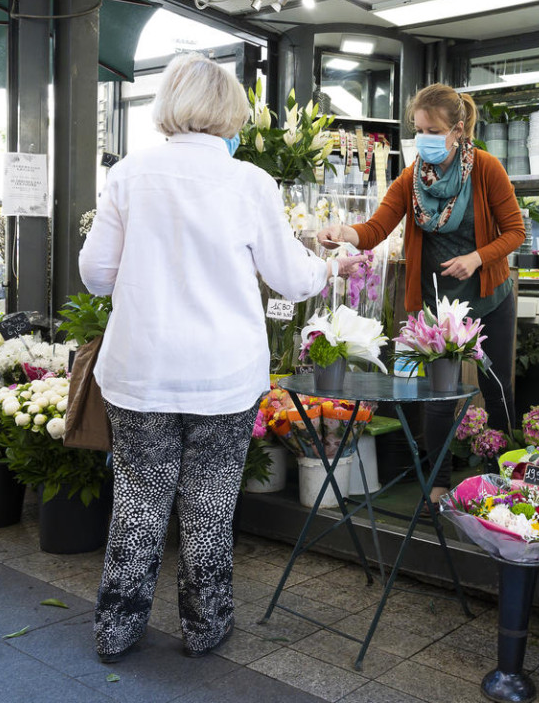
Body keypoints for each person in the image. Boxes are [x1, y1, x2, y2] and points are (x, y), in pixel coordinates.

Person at [79, 52, 353, 663]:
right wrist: (333, 265)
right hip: (225, 375)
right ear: (230, 112)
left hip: (142, 370)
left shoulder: (128, 174)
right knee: (210, 504)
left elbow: (95, 275)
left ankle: (116, 629)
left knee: (138, 501)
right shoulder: (250, 182)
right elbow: (292, 277)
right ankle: (205, 626)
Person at [318, 83, 525, 504]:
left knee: (496, 386)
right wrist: (343, 232)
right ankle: (440, 484)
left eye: (431, 130)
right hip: (438, 306)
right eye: (418, 130)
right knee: (436, 398)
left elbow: (515, 231)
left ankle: (505, 477)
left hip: (488, 294)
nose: (422, 140)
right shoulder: (412, 178)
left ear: (458, 130)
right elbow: (376, 228)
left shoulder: (486, 170)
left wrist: (477, 258)